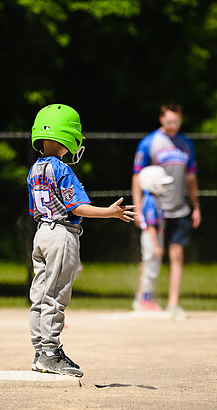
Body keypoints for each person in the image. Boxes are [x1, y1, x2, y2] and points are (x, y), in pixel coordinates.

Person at [27, 103, 135, 377]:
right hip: (61, 234)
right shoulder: (62, 170)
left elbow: (34, 209)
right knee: (56, 295)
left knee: (40, 295)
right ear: (69, 137)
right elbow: (76, 207)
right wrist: (109, 212)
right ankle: (51, 354)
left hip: (41, 233)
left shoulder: (35, 169)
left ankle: (41, 350)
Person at [131, 103, 201, 319]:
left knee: (177, 254)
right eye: (169, 121)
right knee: (151, 254)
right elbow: (137, 176)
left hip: (179, 209)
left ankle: (173, 304)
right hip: (156, 210)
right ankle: (142, 296)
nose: (173, 126)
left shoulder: (186, 144)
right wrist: (138, 207)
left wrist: (196, 205)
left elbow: (191, 178)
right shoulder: (149, 142)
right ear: (161, 119)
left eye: (177, 122)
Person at [136, 166, 174, 311]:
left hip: (156, 234)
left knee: (153, 268)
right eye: (162, 184)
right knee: (150, 267)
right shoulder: (150, 201)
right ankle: (145, 299)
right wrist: (156, 246)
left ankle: (148, 297)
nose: (165, 187)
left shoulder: (154, 199)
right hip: (152, 236)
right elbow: (151, 226)